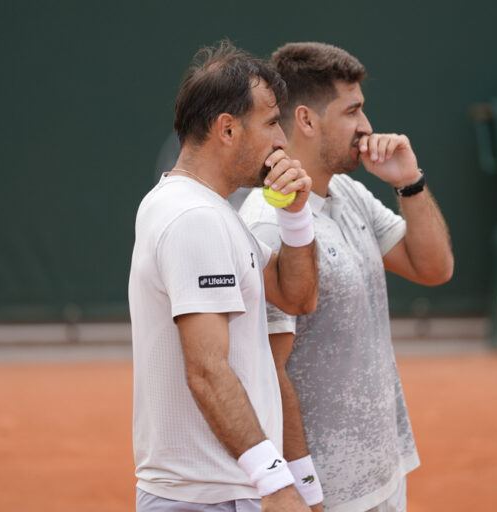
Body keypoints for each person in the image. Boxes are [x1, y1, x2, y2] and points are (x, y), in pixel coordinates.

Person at [239, 42, 454, 512]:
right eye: (352, 111)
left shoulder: (350, 193)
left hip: (383, 474)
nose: (367, 127)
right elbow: (271, 375)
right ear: (307, 121)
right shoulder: (265, 223)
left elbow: (434, 268)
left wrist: (409, 181)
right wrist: (305, 489)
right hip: (329, 495)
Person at [128, 41, 320, 511]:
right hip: (208, 498)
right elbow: (207, 369)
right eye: (272, 122)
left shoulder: (206, 210)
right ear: (227, 129)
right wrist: (275, 483)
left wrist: (296, 215)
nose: (282, 140)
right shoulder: (195, 218)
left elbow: (296, 296)